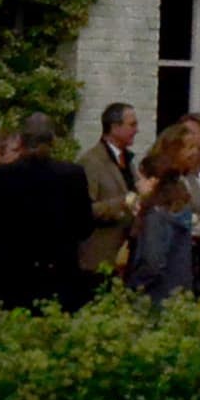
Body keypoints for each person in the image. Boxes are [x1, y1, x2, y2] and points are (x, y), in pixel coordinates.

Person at [0, 113, 93, 309]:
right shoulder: (72, 176)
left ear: (21, 141)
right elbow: (85, 227)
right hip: (58, 278)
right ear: (53, 141)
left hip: (8, 278)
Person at [127, 121, 200, 301]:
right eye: (188, 147)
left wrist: (133, 286)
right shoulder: (169, 199)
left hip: (159, 292)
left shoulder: (161, 209)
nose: (194, 153)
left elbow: (153, 261)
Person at [78, 103, 146, 304]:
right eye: (132, 125)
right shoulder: (91, 161)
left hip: (125, 258)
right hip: (99, 259)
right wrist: (123, 202)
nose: (137, 130)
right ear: (115, 127)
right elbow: (84, 210)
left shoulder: (128, 161)